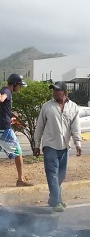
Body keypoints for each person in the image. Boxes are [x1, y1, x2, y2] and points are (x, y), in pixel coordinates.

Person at [34, 81, 82, 212]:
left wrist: (78, 143)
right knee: (52, 174)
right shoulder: (47, 107)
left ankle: (53, 198)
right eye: (53, 90)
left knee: (61, 175)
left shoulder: (73, 107)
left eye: (57, 90)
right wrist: (37, 145)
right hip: (50, 145)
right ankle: (57, 201)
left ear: (65, 93)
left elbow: (75, 127)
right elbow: (39, 127)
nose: (54, 92)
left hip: (65, 147)